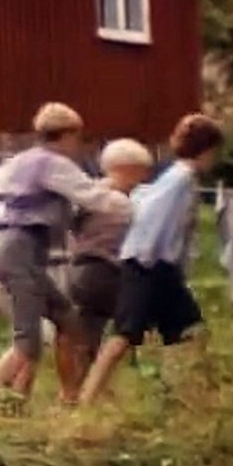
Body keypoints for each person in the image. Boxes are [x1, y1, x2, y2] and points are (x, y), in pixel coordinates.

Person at [0, 102, 127, 419]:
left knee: (68, 318)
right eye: (78, 138)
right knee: (27, 344)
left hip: (7, 247)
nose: (79, 146)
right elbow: (91, 197)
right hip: (19, 254)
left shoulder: (23, 160)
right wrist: (132, 207)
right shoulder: (56, 164)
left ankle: (73, 395)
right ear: (67, 135)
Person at [79, 115, 224, 406]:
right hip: (148, 264)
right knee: (124, 336)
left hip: (163, 268)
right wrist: (144, 258)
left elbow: (143, 201)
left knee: (190, 331)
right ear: (207, 150)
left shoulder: (178, 176)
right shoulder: (180, 178)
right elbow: (151, 216)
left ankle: (190, 394)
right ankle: (86, 400)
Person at [69, 138, 153, 368]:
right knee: (136, 320)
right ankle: (137, 371)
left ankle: (80, 385)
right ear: (127, 169)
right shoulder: (118, 202)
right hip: (105, 270)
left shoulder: (90, 192)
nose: (142, 179)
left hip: (81, 269)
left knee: (89, 329)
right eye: (140, 171)